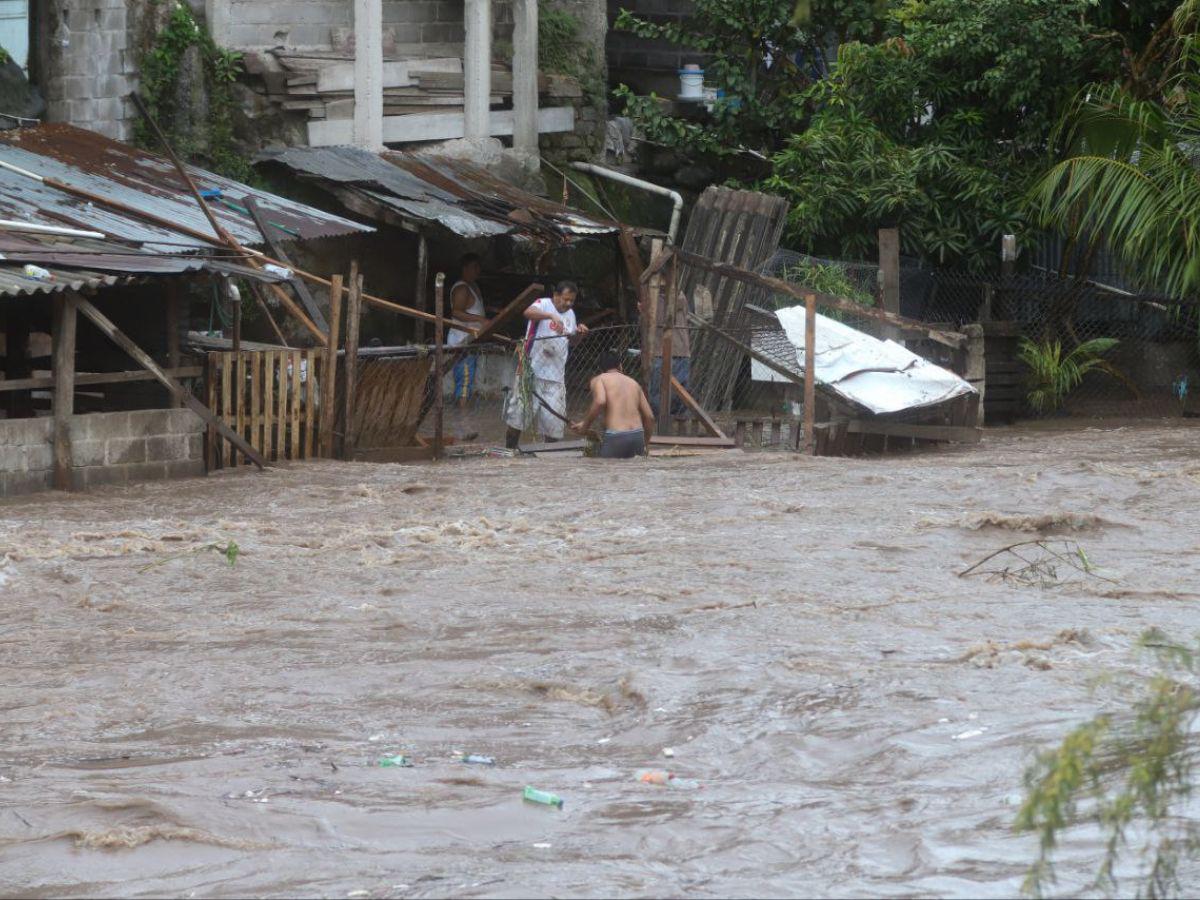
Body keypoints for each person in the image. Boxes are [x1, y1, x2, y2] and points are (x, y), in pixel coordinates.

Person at [503, 280, 589, 448]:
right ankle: (510, 451)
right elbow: (528, 312)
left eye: (571, 300)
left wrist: (580, 334)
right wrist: (550, 315)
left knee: (554, 423)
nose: (568, 303)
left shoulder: (570, 314)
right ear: (556, 295)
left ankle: (549, 457)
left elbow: (571, 341)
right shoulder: (544, 303)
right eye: (565, 299)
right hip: (531, 371)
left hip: (556, 375)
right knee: (518, 417)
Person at [572, 349, 656, 458]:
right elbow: (650, 417)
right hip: (637, 435)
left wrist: (585, 425)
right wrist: (644, 444)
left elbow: (600, 401)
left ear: (600, 369)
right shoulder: (634, 383)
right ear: (620, 366)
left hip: (616, 437)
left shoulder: (599, 379)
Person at [642, 278, 692, 418]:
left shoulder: (679, 296)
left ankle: (676, 423)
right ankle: (659, 423)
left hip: (680, 351)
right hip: (660, 352)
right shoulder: (651, 298)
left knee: (681, 392)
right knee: (658, 393)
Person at [447, 253, 489, 409]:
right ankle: (462, 418)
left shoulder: (473, 286)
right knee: (464, 379)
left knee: (467, 379)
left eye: (478, 267)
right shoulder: (462, 288)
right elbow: (456, 312)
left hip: (472, 340)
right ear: (465, 268)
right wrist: (480, 320)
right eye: (474, 267)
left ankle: (462, 413)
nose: (477, 270)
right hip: (462, 340)